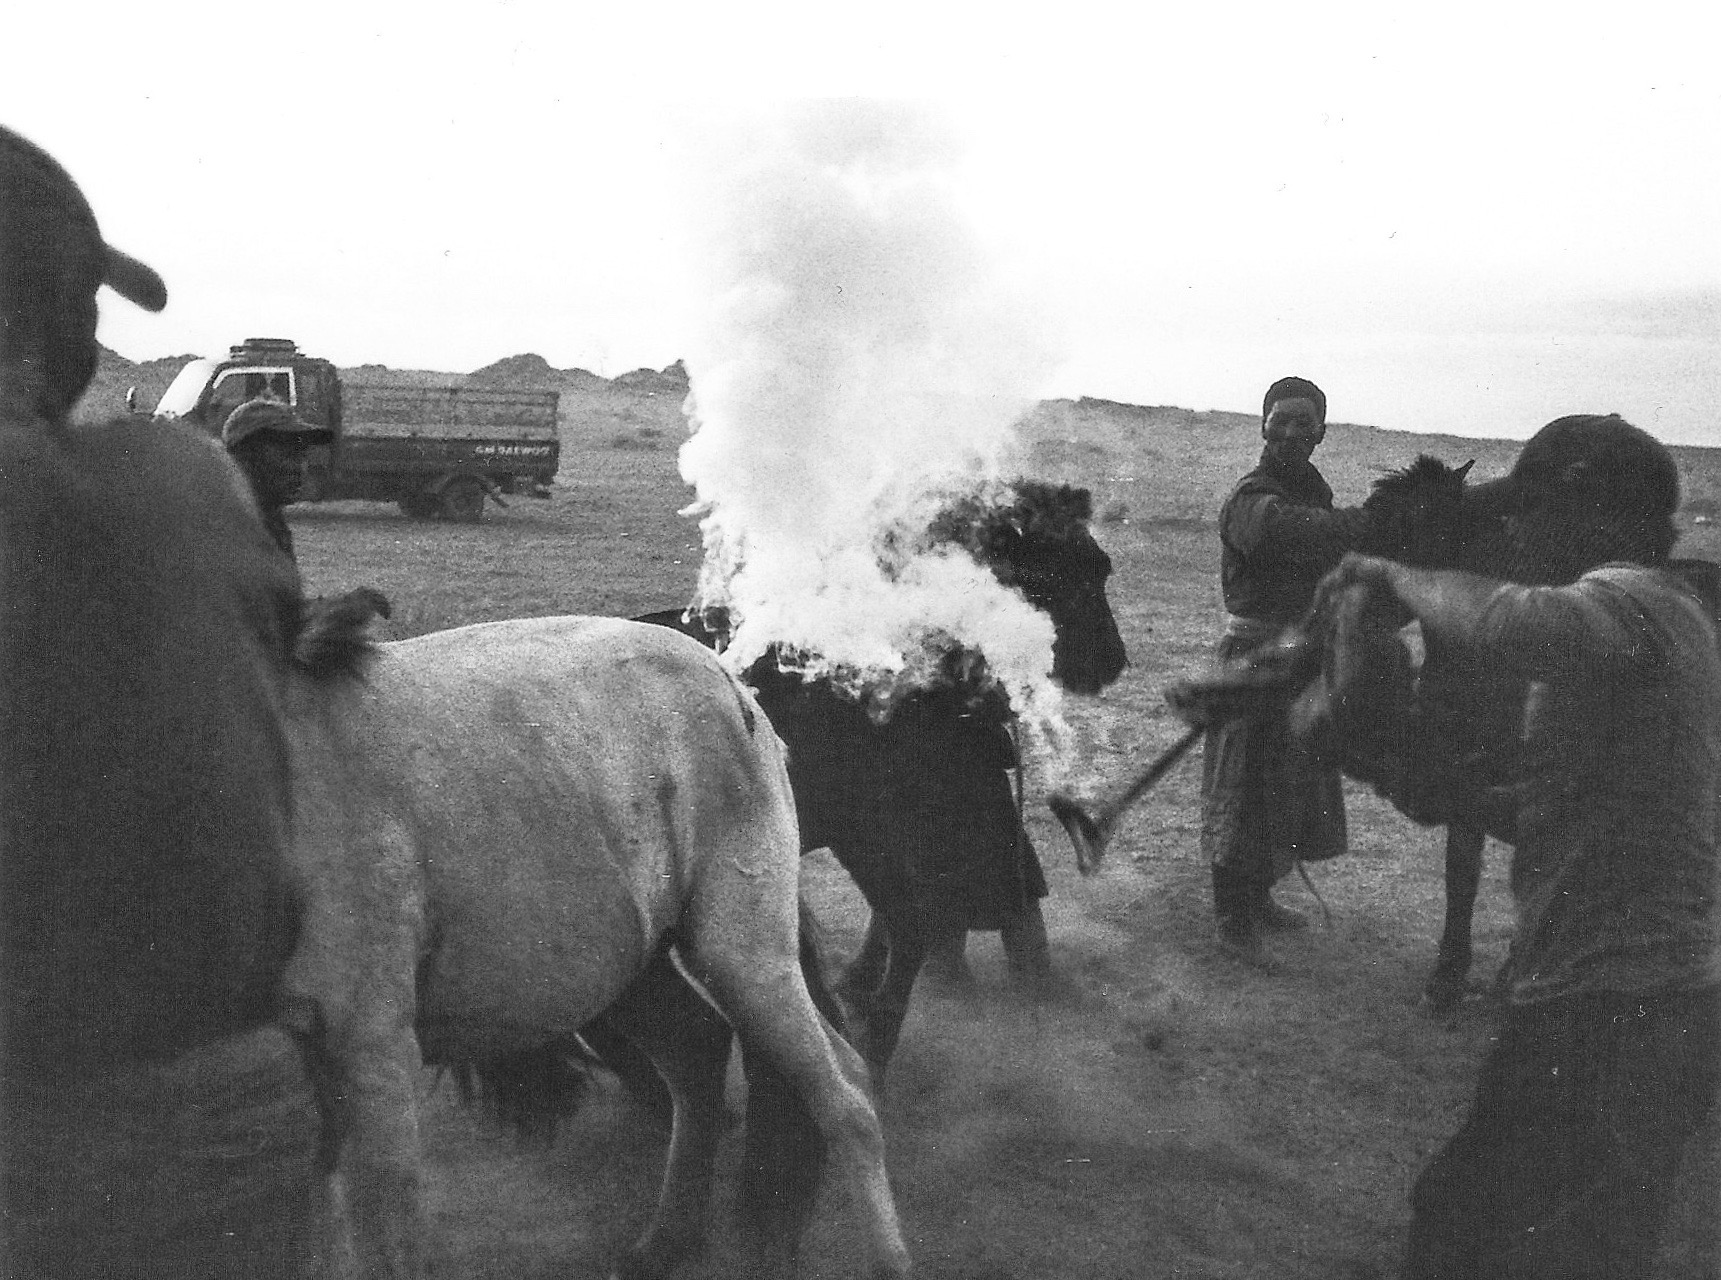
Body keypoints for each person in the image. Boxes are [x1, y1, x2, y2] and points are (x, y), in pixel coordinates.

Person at [1318, 413, 1721, 1279]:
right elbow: (1556, 805)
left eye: (1530, 511)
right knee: (1575, 1234)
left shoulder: (1637, 601)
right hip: (1616, 989)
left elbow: (1504, 620)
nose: (1517, 531)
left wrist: (1389, 572)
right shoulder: (1623, 629)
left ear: (1587, 509)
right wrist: (1431, 790)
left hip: (1624, 1001)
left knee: (1474, 1224)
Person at [1200, 375, 1367, 962]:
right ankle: (1232, 922)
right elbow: (1288, 534)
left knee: (1289, 785)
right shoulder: (1251, 498)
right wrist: (1377, 523)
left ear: (1322, 433)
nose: (1294, 431)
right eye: (1283, 420)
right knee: (1242, 787)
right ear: (1263, 426)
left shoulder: (1314, 492)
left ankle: (1261, 899)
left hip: (1299, 658)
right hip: (1252, 659)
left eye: (1306, 422)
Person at [222, 397, 331, 561]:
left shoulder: (270, 522)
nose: (299, 467)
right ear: (246, 457)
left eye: (302, 455)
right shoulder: (224, 529)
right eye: (287, 454)